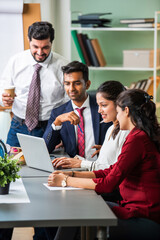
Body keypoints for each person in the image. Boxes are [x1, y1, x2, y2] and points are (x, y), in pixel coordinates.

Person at [48, 89, 160, 240]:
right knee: (78, 209)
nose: (117, 117)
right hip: (134, 210)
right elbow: (112, 170)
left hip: (144, 217)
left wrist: (65, 181)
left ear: (126, 111)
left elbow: (108, 184)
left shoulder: (137, 139)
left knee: (77, 215)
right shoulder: (138, 135)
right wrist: (72, 174)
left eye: (118, 111)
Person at [0, 21, 69, 147]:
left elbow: (69, 102)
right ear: (28, 40)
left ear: (51, 43)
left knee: (45, 165)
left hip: (49, 126)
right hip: (18, 125)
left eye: (45, 47)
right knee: (10, 164)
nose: (40, 52)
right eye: (35, 47)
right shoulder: (16, 61)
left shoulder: (63, 66)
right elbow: (3, 89)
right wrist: (3, 99)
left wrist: (63, 131)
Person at [52, 80, 129, 171]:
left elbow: (113, 172)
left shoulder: (126, 132)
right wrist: (74, 162)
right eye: (98, 105)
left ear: (119, 104)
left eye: (103, 105)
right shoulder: (111, 129)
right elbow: (100, 167)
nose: (99, 111)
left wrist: (80, 164)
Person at [43, 61, 112, 162]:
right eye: (67, 84)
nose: (71, 89)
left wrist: (108, 150)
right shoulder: (58, 113)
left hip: (101, 166)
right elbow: (46, 148)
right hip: (73, 168)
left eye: (77, 83)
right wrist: (57, 122)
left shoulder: (103, 107)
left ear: (87, 84)